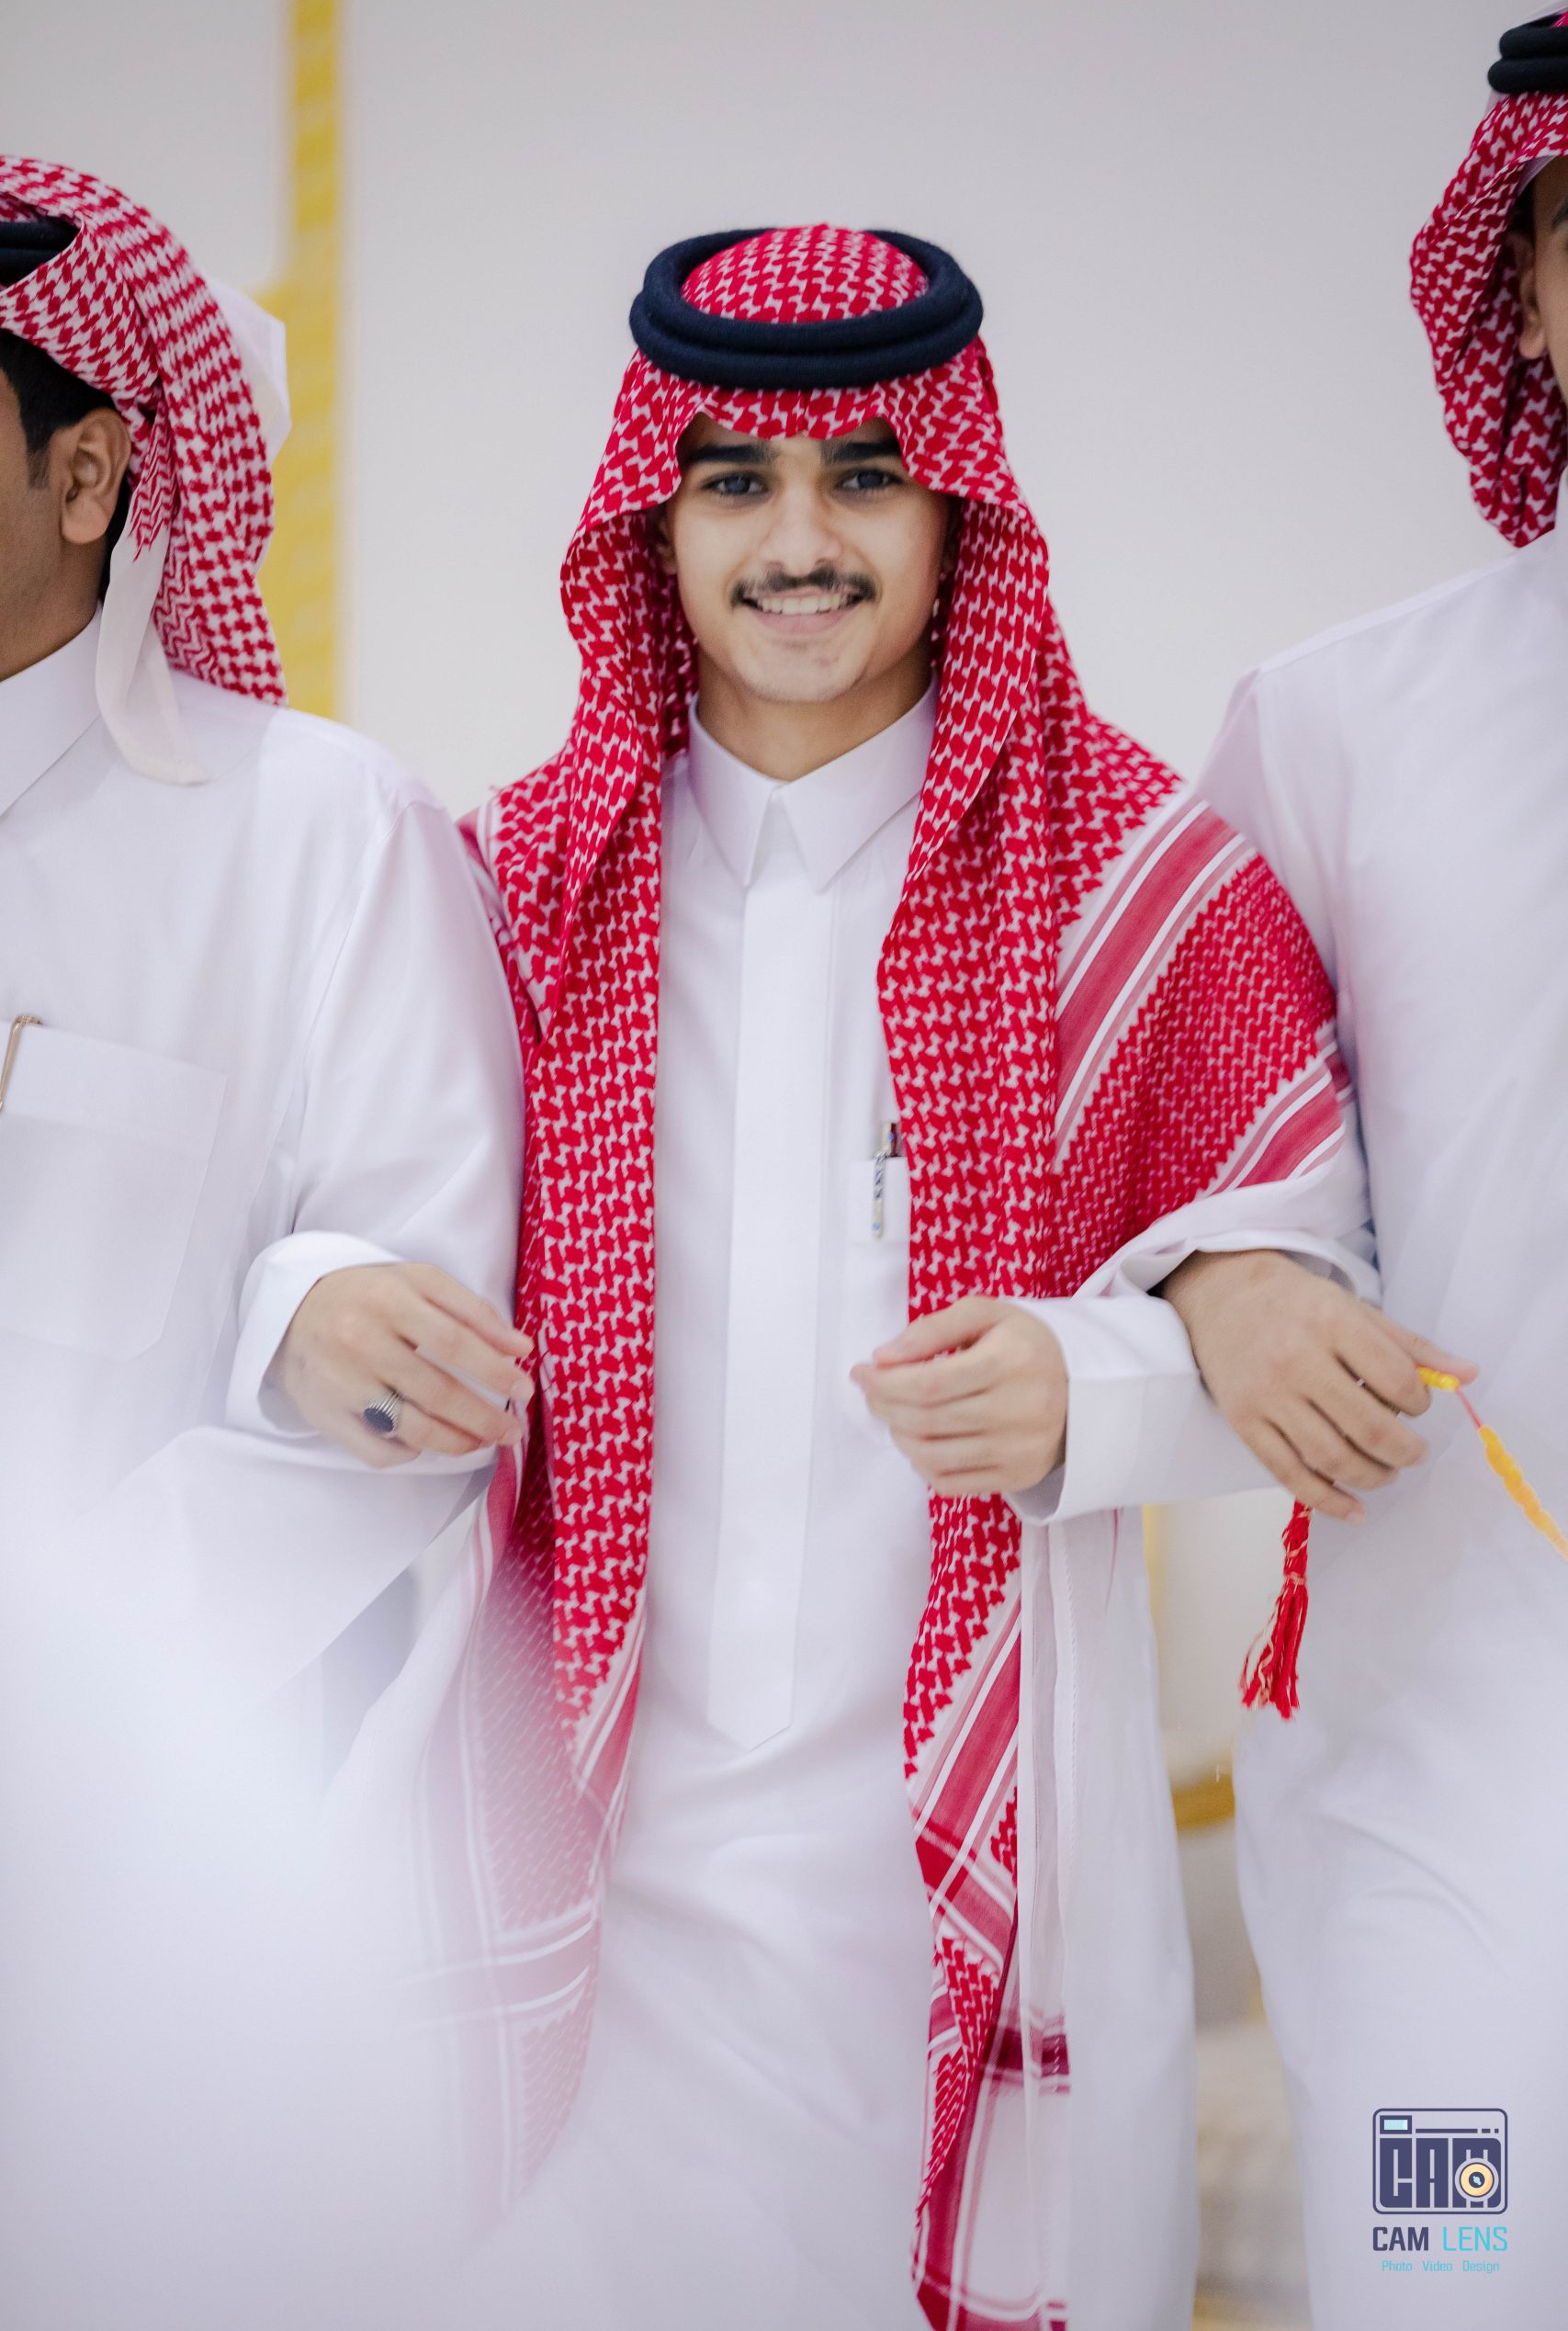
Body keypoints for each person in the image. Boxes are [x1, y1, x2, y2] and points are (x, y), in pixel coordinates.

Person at [288, 224, 1446, 2331]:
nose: (798, 541)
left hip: (963, 1872)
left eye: (861, 479)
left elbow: (1301, 1300)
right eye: (734, 481)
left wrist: (1093, 1379)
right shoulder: (513, 881)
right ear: (653, 523)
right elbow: (327, 1220)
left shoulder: (1133, 879)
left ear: (952, 512)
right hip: (589, 1883)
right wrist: (312, 1304)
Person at [1164, 14, 1568, 2327]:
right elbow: (1182, 1131)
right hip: (1451, 1744)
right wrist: (1230, 1275)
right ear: (1518, 295)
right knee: (1449, 2282)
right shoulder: (1334, 723)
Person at [0, 159, 529, 1714]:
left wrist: (60, 1691)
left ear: (86, 476)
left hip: (112, 1791)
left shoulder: (323, 835)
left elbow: (419, 1391)